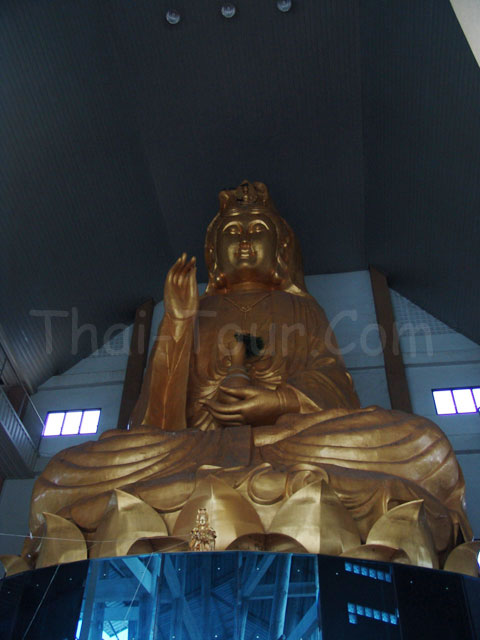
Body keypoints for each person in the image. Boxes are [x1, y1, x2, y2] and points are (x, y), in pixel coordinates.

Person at [27, 181, 472, 566]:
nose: (243, 241)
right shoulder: (195, 313)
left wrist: (278, 401)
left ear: (279, 249)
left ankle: (203, 494)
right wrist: (177, 323)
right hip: (192, 447)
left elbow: (335, 386)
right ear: (214, 254)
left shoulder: (301, 309)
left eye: (257, 231)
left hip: (289, 442)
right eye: (232, 233)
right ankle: (280, 494)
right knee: (62, 474)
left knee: (422, 443)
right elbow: (153, 423)